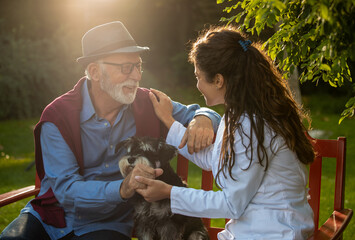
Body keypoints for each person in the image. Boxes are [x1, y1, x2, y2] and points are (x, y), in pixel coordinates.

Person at [0, 21, 220, 240]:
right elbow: (66, 190)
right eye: (126, 67)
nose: (136, 76)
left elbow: (204, 114)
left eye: (138, 66)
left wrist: (203, 118)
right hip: (49, 217)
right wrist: (123, 188)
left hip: (106, 225)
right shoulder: (58, 117)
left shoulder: (147, 103)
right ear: (95, 72)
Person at [135, 26, 316, 240]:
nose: (197, 84)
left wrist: (168, 192)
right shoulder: (243, 114)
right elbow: (214, 159)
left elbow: (231, 204)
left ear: (219, 80)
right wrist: (168, 121)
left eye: (198, 76)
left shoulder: (252, 124)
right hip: (255, 230)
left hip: (274, 233)